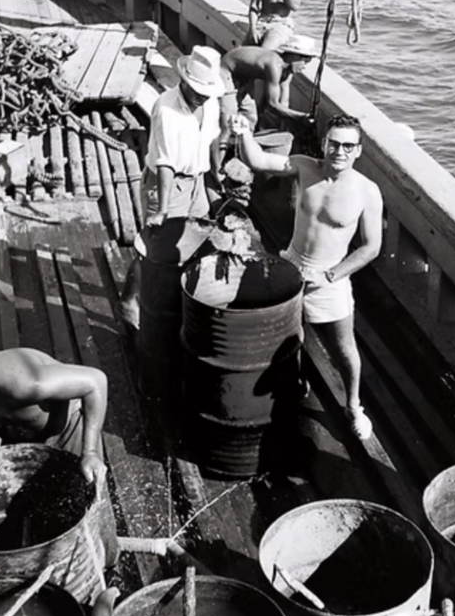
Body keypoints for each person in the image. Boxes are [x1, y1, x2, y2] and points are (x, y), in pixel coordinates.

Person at [229, 112, 383, 440]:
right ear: (324, 143)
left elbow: (371, 248)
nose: (339, 151)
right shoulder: (303, 166)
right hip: (291, 265)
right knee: (285, 335)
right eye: (333, 143)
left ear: (358, 151)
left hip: (330, 278)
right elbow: (257, 160)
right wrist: (243, 132)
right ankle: (296, 383)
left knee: (343, 348)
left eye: (347, 146)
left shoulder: (367, 192)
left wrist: (332, 275)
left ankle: (354, 406)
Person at [117, 45, 226, 329]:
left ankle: (178, 296)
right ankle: (130, 299)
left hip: (196, 181)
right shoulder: (166, 108)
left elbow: (213, 137)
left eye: (207, 93)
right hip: (166, 184)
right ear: (184, 82)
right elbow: (165, 162)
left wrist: (216, 172)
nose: (202, 98)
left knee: (199, 237)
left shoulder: (210, 102)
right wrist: (163, 209)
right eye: (197, 92)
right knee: (154, 249)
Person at [0, 348, 109, 486]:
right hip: (23, 443)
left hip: (66, 432)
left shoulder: (25, 382)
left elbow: (95, 382)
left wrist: (90, 452)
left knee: (87, 499)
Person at [221, 36, 319, 132]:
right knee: (229, 118)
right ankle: (222, 145)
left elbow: (283, 100)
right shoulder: (274, 65)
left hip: (243, 75)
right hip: (226, 71)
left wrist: (285, 125)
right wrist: (300, 117)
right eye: (305, 62)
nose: (304, 67)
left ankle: (243, 145)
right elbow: (272, 104)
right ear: (295, 56)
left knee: (250, 116)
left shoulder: (287, 69)